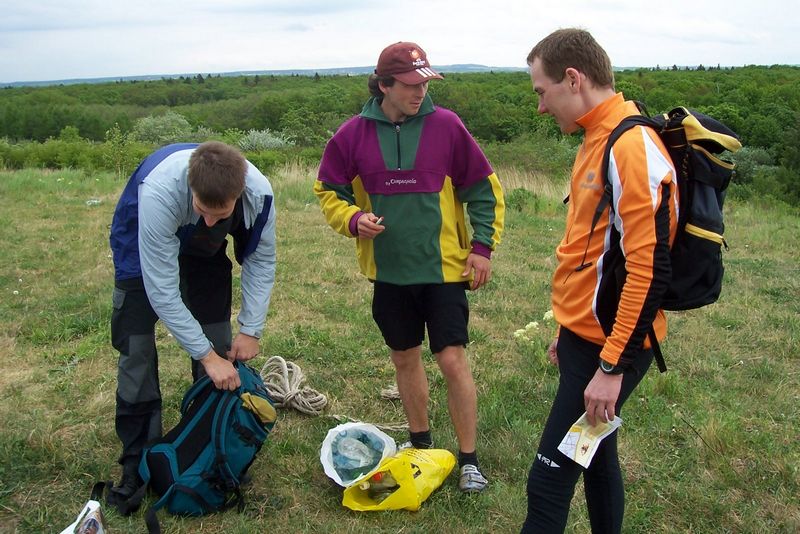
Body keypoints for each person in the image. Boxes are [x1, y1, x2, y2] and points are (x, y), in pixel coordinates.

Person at [314, 42, 505, 493]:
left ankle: (469, 461)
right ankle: (420, 446)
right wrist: (354, 220)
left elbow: (484, 189)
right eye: (411, 84)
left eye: (425, 82)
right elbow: (328, 190)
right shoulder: (351, 135)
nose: (421, 91)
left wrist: (482, 248)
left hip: (445, 271)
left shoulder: (448, 127)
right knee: (404, 357)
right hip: (389, 274)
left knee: (452, 358)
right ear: (384, 85)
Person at [522, 29, 678, 532]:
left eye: (542, 92)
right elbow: (591, 253)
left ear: (574, 78)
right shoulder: (596, 133)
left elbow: (647, 268)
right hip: (585, 338)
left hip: (612, 348)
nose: (541, 107)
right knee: (596, 459)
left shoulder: (630, 146)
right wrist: (567, 330)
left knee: (548, 480)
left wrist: (611, 365)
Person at [107, 141, 277, 507]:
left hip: (204, 250)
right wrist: (204, 356)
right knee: (136, 350)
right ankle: (137, 459)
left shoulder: (258, 193)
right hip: (143, 240)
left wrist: (251, 328)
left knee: (219, 340)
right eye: (203, 209)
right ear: (191, 190)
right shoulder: (159, 193)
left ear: (239, 194)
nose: (211, 221)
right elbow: (162, 290)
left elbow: (261, 260)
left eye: (222, 214)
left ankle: (208, 445)